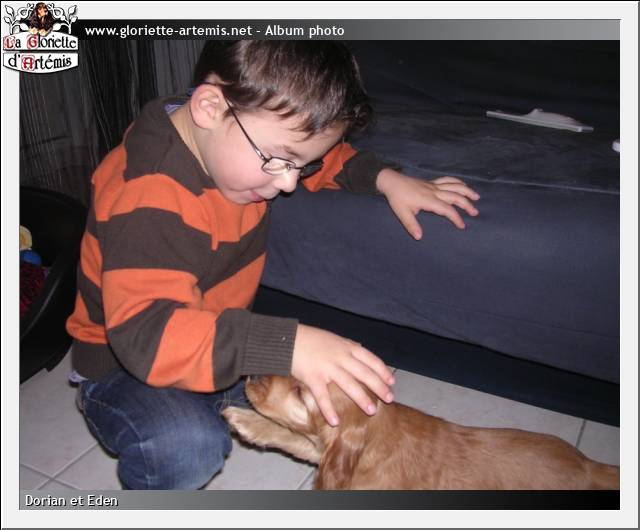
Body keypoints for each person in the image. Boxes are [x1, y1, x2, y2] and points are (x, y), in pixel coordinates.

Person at [66, 41, 480, 490]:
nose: (288, 183)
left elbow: (318, 153)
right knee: (187, 445)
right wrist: (288, 345)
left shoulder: (241, 135)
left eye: (300, 165)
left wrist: (385, 178)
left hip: (210, 335)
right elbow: (149, 336)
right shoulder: (147, 196)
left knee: (330, 387)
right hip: (128, 363)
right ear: (209, 107)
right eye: (278, 160)